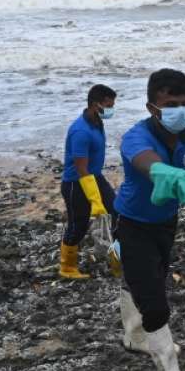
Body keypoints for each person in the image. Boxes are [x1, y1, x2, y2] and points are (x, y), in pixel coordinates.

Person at [113, 69, 185, 371]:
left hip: (166, 221)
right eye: (171, 104)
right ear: (152, 108)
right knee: (156, 305)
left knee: (151, 276)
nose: (180, 110)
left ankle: (134, 337)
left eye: (184, 103)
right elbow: (147, 163)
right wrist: (166, 173)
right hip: (131, 222)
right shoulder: (136, 137)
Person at [59, 84, 118, 279]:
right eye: (109, 106)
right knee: (78, 225)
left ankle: (117, 256)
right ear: (95, 105)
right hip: (76, 183)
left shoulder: (97, 122)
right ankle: (67, 267)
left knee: (117, 211)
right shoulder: (81, 131)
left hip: (95, 177)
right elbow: (81, 168)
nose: (111, 110)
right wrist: (94, 199)